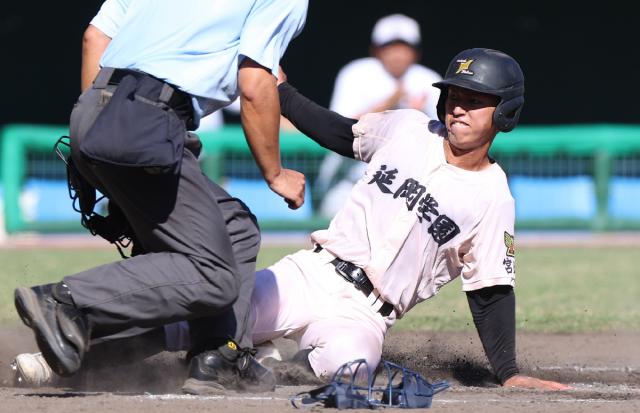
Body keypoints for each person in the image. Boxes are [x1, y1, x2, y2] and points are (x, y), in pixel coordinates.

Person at [13, 47, 570, 392]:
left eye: (475, 99)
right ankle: (62, 365)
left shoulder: (493, 197)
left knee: (352, 377)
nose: (456, 106)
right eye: (453, 93)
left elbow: (491, 289)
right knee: (201, 316)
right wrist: (279, 90)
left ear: (507, 113)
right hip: (314, 273)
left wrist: (508, 370)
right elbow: (335, 130)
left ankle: (274, 351)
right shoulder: (407, 128)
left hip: (367, 314)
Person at [13, 0, 308, 395]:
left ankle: (218, 357)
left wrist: (100, 133)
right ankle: (65, 301)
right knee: (214, 275)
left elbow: (94, 37)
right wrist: (276, 173)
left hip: (97, 109)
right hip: (146, 118)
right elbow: (254, 85)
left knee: (234, 228)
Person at [317, 13, 443, 218]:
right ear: (376, 50)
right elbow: (339, 128)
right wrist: (390, 102)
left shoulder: (429, 79)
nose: (398, 54)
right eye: (390, 47)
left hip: (409, 186)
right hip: (350, 183)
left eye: (405, 47)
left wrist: (419, 114)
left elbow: (444, 135)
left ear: (416, 52)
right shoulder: (355, 73)